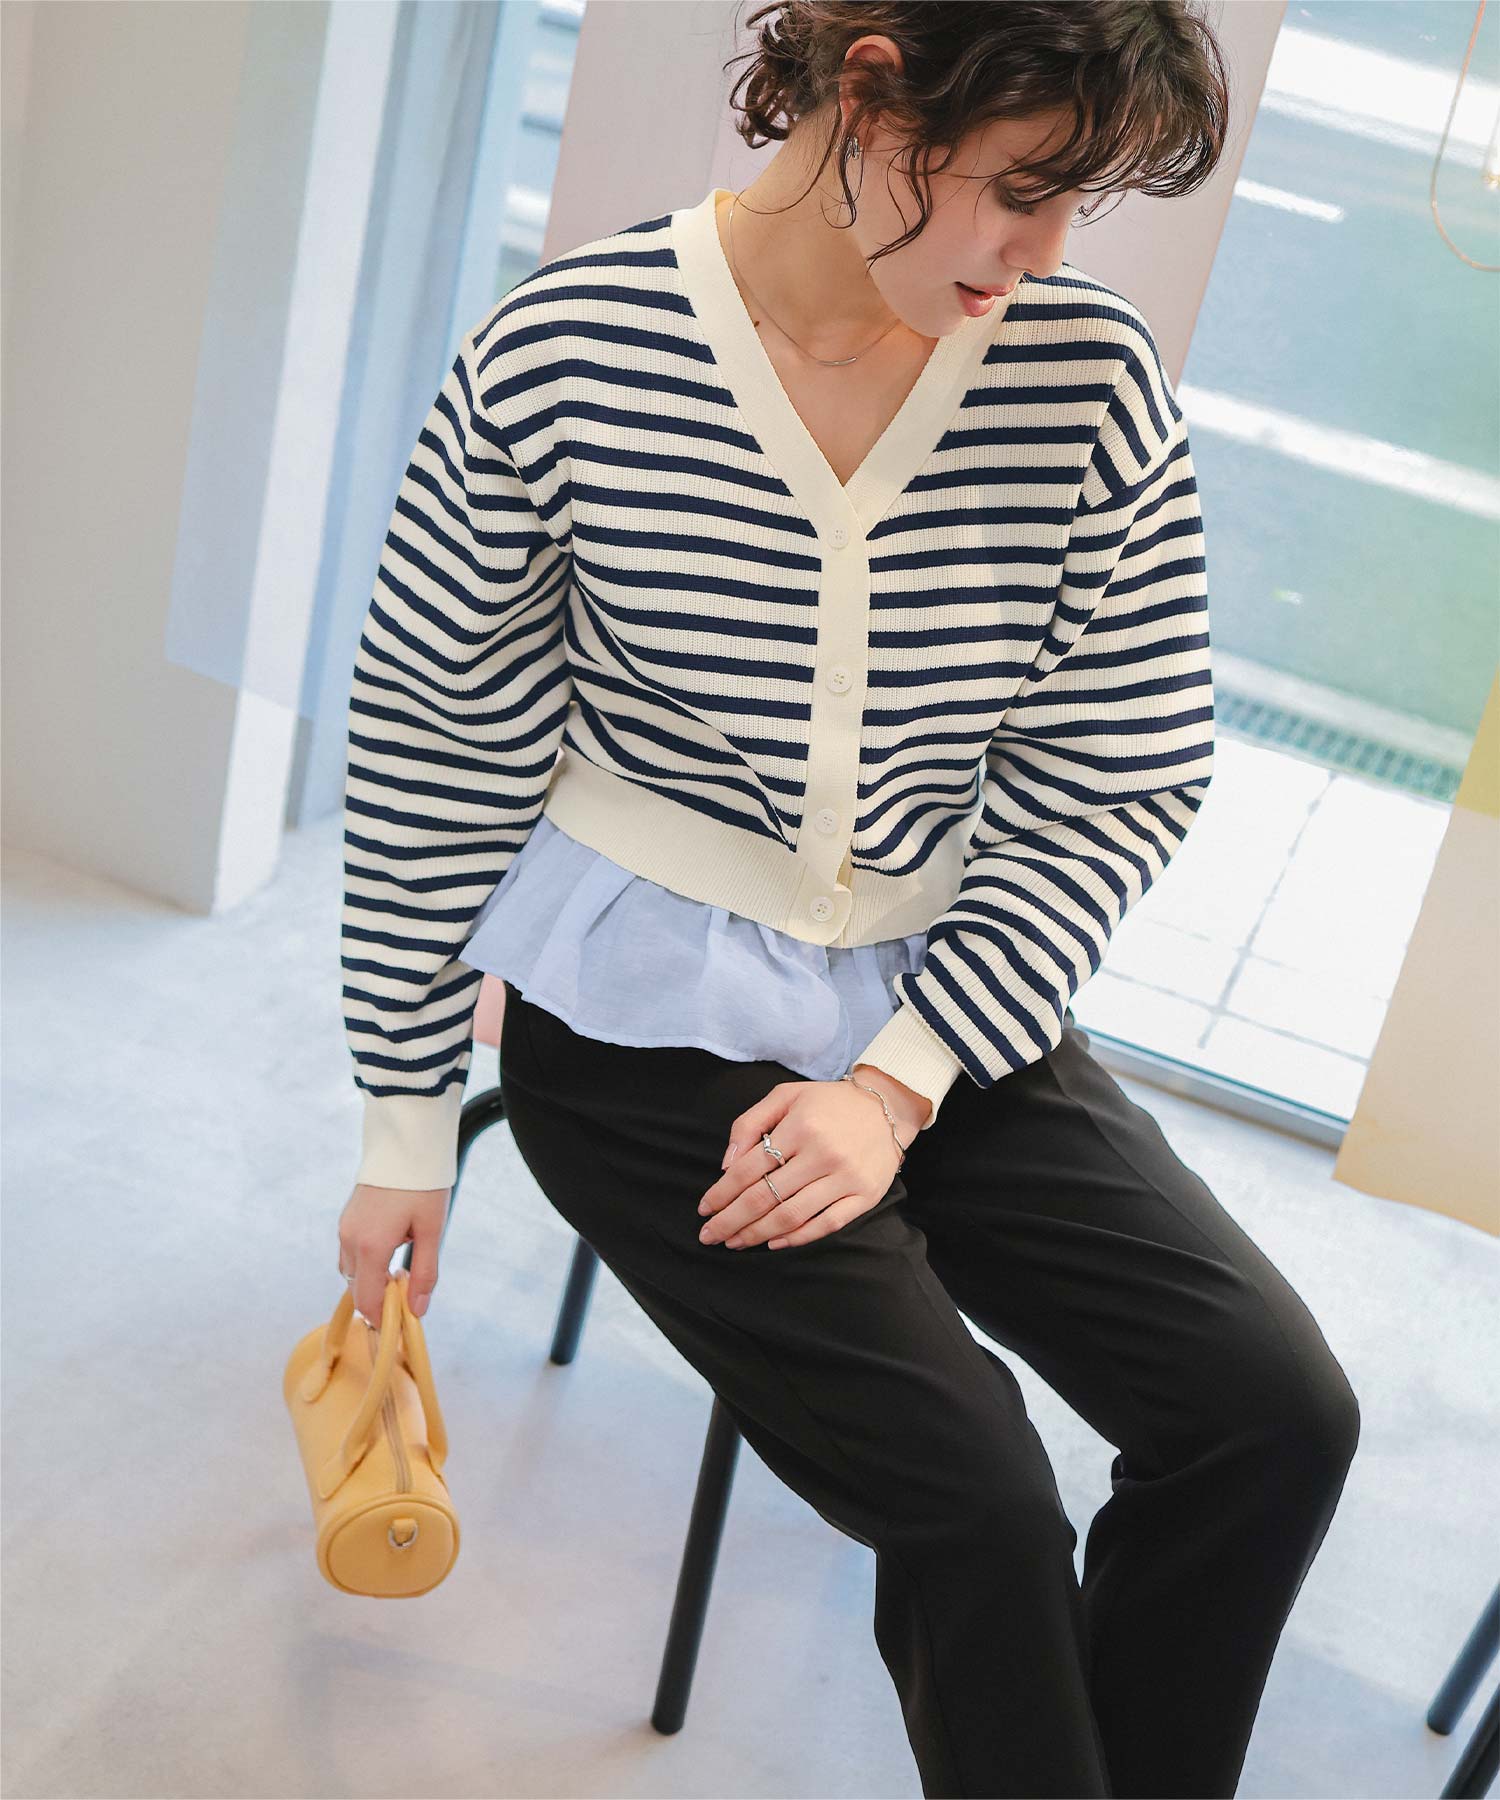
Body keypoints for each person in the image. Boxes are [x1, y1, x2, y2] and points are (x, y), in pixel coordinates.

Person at [336, 4, 1361, 1793]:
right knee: (980, 1508)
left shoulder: (1087, 382)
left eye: (1079, 207)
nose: (1043, 255)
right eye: (1021, 191)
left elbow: (1119, 775)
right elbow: (435, 756)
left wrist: (897, 1083)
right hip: (647, 1042)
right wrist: (405, 1117)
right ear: (874, 93)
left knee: (1273, 1416)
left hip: (942, 1014)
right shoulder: (564, 352)